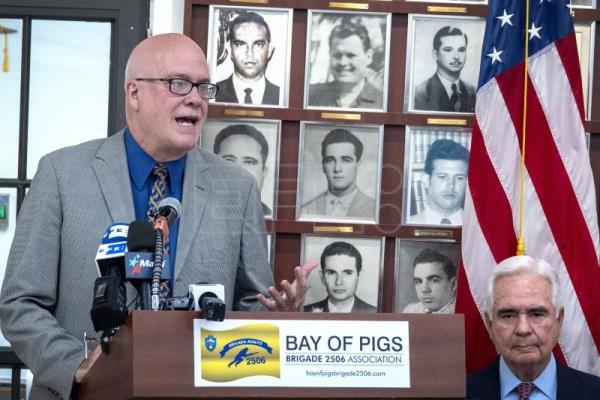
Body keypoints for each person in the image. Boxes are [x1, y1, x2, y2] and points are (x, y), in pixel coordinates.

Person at [0, 33, 315, 400]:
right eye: (178, 84)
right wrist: (77, 367)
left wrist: (279, 315)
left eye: (202, 87)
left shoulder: (237, 188)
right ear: (134, 93)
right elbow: (20, 303)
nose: (195, 98)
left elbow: (249, 307)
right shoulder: (61, 173)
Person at [467, 255, 600, 399]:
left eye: (537, 314)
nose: (523, 329)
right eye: (508, 315)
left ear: (559, 320)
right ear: (490, 324)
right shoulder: (461, 392)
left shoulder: (595, 392)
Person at [301, 128, 376, 220]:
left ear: (359, 165)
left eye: (346, 160)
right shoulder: (305, 210)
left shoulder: (375, 210)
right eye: (330, 161)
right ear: (323, 166)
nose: (337, 169)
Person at [308, 21, 383, 110]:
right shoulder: (308, 95)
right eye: (337, 55)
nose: (343, 62)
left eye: (351, 55)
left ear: (368, 57)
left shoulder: (383, 102)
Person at [215, 11, 280, 105]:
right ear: (230, 49)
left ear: (269, 50)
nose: (249, 53)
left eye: (258, 44)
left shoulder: (281, 96)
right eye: (240, 44)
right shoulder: (214, 93)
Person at [213, 124, 272, 216]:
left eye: (249, 162)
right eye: (228, 160)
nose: (239, 171)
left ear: (263, 172)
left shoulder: (271, 216)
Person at [414, 26, 476, 113]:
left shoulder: (474, 92)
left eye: (461, 50)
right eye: (448, 50)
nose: (456, 57)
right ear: (435, 55)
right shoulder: (419, 94)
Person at [303, 241, 376, 313]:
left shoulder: (375, 313)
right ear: (322, 277)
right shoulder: (304, 312)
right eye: (331, 273)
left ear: (359, 276)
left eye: (347, 273)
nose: (338, 282)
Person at [410, 139, 469, 225]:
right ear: (426, 180)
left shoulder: (478, 228)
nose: (451, 186)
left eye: (459, 178)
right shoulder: (409, 225)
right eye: (442, 177)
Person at [403, 248, 456, 314]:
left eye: (434, 280)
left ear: (453, 284)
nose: (424, 289)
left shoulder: (464, 314)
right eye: (418, 281)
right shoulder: (411, 311)